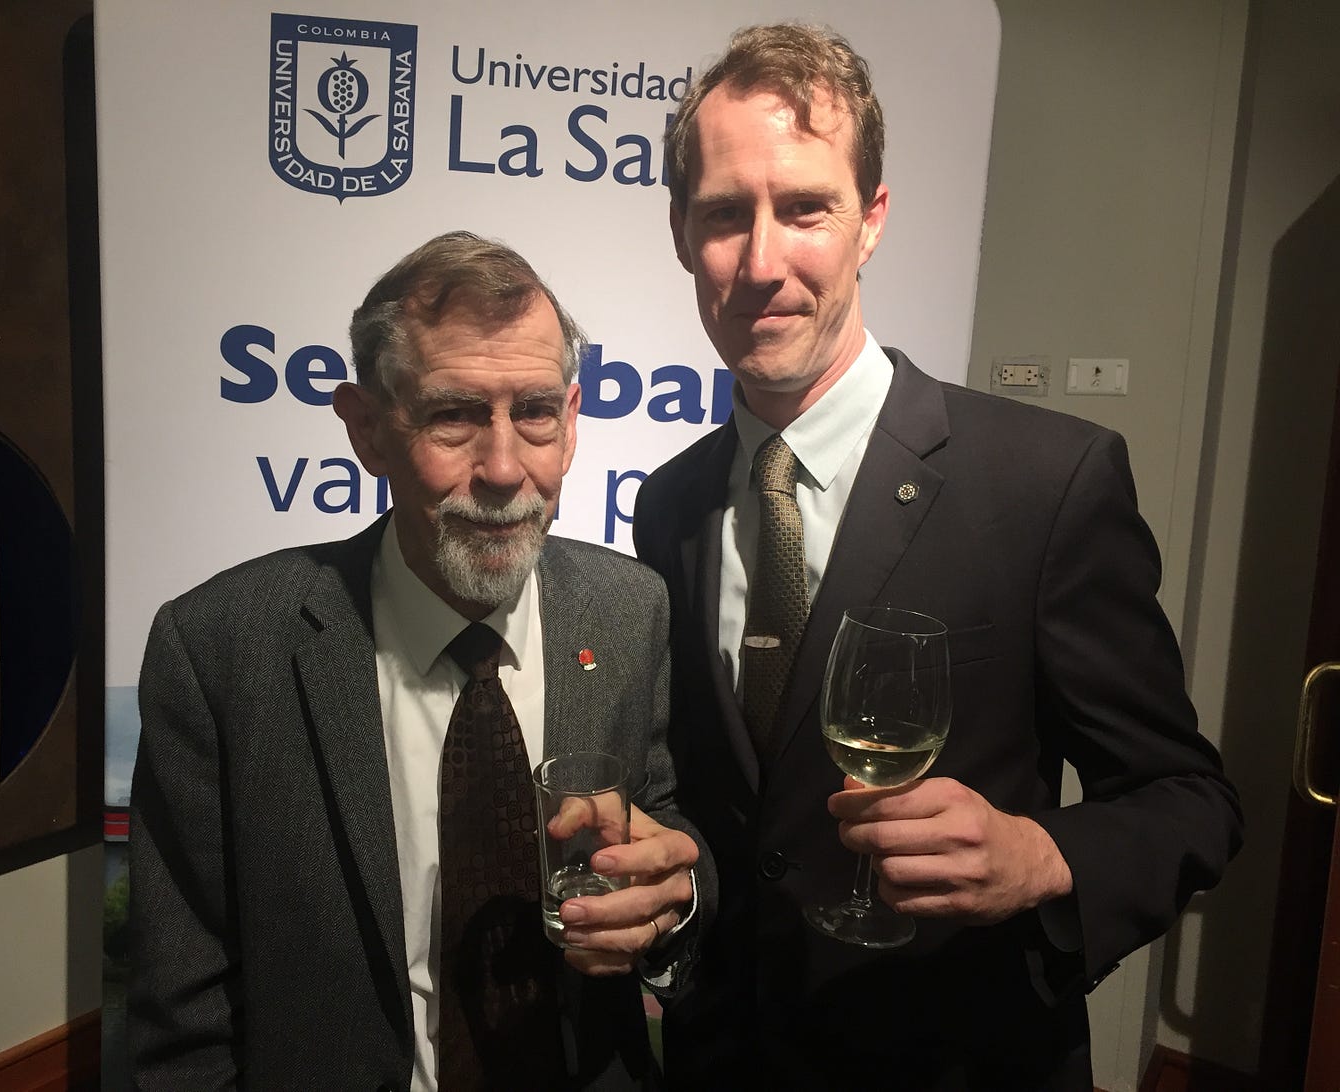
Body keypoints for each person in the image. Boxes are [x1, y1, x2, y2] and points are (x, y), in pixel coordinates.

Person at [632, 23, 1242, 1091]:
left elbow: (1189, 800)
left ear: (871, 220)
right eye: (725, 214)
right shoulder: (670, 503)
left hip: (958, 1059)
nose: (763, 263)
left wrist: (1043, 857)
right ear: (682, 233)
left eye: (805, 208)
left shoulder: (1047, 483)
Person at [129, 231, 702, 1090]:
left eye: (535, 411)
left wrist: (672, 901)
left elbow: (665, 826)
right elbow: (182, 1025)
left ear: (573, 419)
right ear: (367, 429)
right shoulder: (220, 649)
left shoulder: (630, 610)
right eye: (454, 415)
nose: (504, 468)